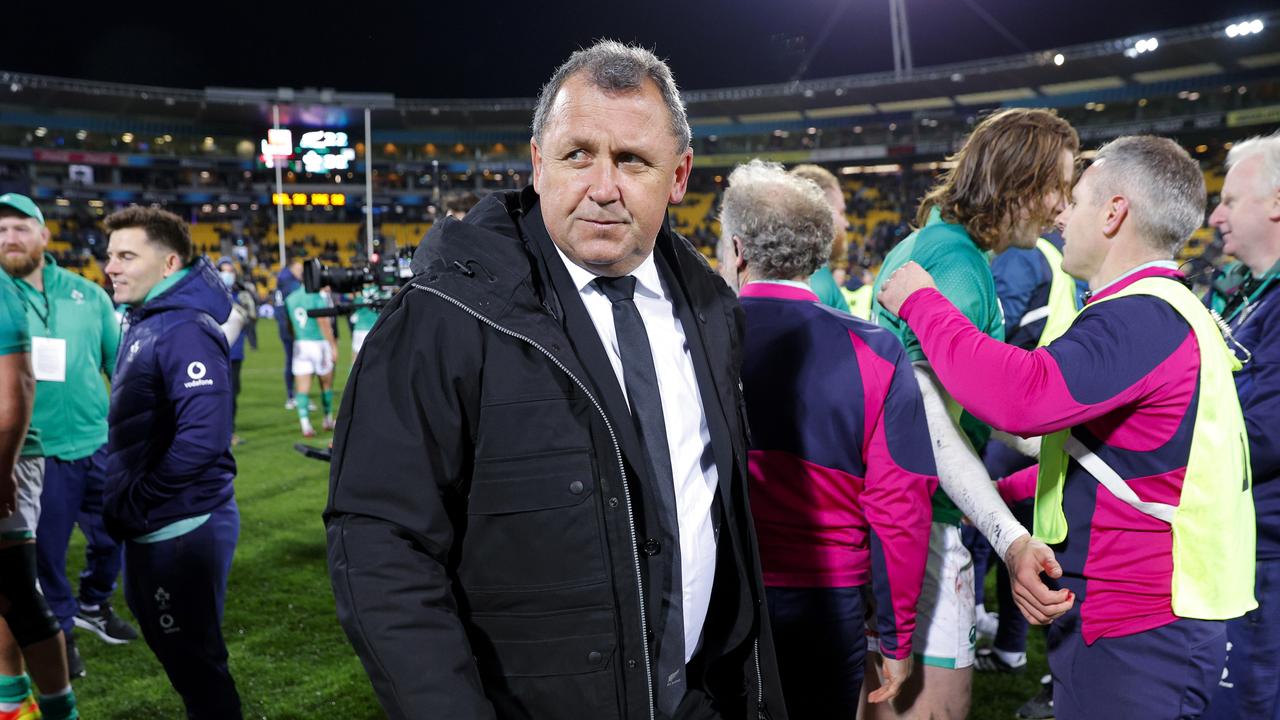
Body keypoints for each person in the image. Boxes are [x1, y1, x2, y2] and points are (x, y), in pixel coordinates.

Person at [326, 40, 786, 719]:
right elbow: (380, 541)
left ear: (680, 176)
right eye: (578, 155)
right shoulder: (444, 314)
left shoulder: (713, 309)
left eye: (632, 160)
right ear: (538, 164)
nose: (603, 187)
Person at [878, 135, 1256, 719]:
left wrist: (924, 303)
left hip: (1143, 624)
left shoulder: (1143, 315)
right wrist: (996, 503)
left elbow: (1022, 397)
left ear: (1113, 213)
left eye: (1075, 200)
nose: (1062, 214)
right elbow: (1114, 464)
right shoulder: (1160, 309)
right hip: (1137, 612)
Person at [864, 108, 1079, 720]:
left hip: (905, 513)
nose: (1062, 207)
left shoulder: (939, 244)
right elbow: (927, 419)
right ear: (1018, 180)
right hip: (923, 521)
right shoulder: (959, 265)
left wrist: (1074, 449)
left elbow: (977, 406)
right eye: (1056, 185)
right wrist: (1009, 538)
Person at [717, 160, 935, 717]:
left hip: (722, 595)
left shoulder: (694, 342)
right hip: (827, 604)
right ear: (818, 254)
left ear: (738, 251)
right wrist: (896, 635)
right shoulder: (877, 352)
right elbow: (901, 507)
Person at [102, 207, 242, 719]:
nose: (110, 267)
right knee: (184, 661)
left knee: (198, 667)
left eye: (126, 255)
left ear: (169, 263)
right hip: (156, 524)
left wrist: (139, 500)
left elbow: (203, 438)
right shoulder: (148, 318)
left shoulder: (182, 328)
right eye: (110, 255)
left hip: (179, 525)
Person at [0, 193, 137, 684]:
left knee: (112, 539)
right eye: (0, 231)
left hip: (98, 444)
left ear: (44, 235)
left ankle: (95, 604)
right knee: (47, 559)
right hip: (36, 454)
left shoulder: (87, 295)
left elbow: (117, 366)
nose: (9, 238)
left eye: (20, 227)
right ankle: (61, 633)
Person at [1203, 130, 1280, 720]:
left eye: (1229, 199)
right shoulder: (1252, 293)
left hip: (1268, 562)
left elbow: (1264, 435)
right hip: (1241, 547)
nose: (1216, 213)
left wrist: (1147, 451)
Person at [0, 226, 77, 720]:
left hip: (8, 457)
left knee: (16, 591)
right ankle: (12, 702)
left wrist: (1, 468)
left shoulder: (3, 293)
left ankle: (57, 710)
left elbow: (17, 387)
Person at [282, 261, 337, 436]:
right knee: (326, 383)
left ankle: (306, 425)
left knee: (302, 387)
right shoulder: (317, 297)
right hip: (318, 343)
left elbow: (289, 324)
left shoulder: (290, 298)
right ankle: (328, 418)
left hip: (301, 344)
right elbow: (324, 323)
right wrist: (333, 346)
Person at [789, 164, 852, 313]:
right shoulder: (812, 282)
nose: (846, 223)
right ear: (822, 212)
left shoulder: (796, 272)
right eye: (841, 212)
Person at [217, 257, 256, 444]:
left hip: (236, 352)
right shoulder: (211, 295)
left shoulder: (240, 294)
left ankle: (228, 430)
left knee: (233, 392)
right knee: (220, 393)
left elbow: (250, 319)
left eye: (230, 271)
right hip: (215, 352)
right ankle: (225, 433)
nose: (228, 275)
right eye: (224, 270)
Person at [273, 262, 299, 410]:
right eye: (298, 268)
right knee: (295, 362)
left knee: (291, 361)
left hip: (283, 327)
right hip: (292, 328)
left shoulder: (281, 281)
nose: (301, 271)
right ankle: (294, 395)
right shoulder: (291, 284)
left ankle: (293, 395)